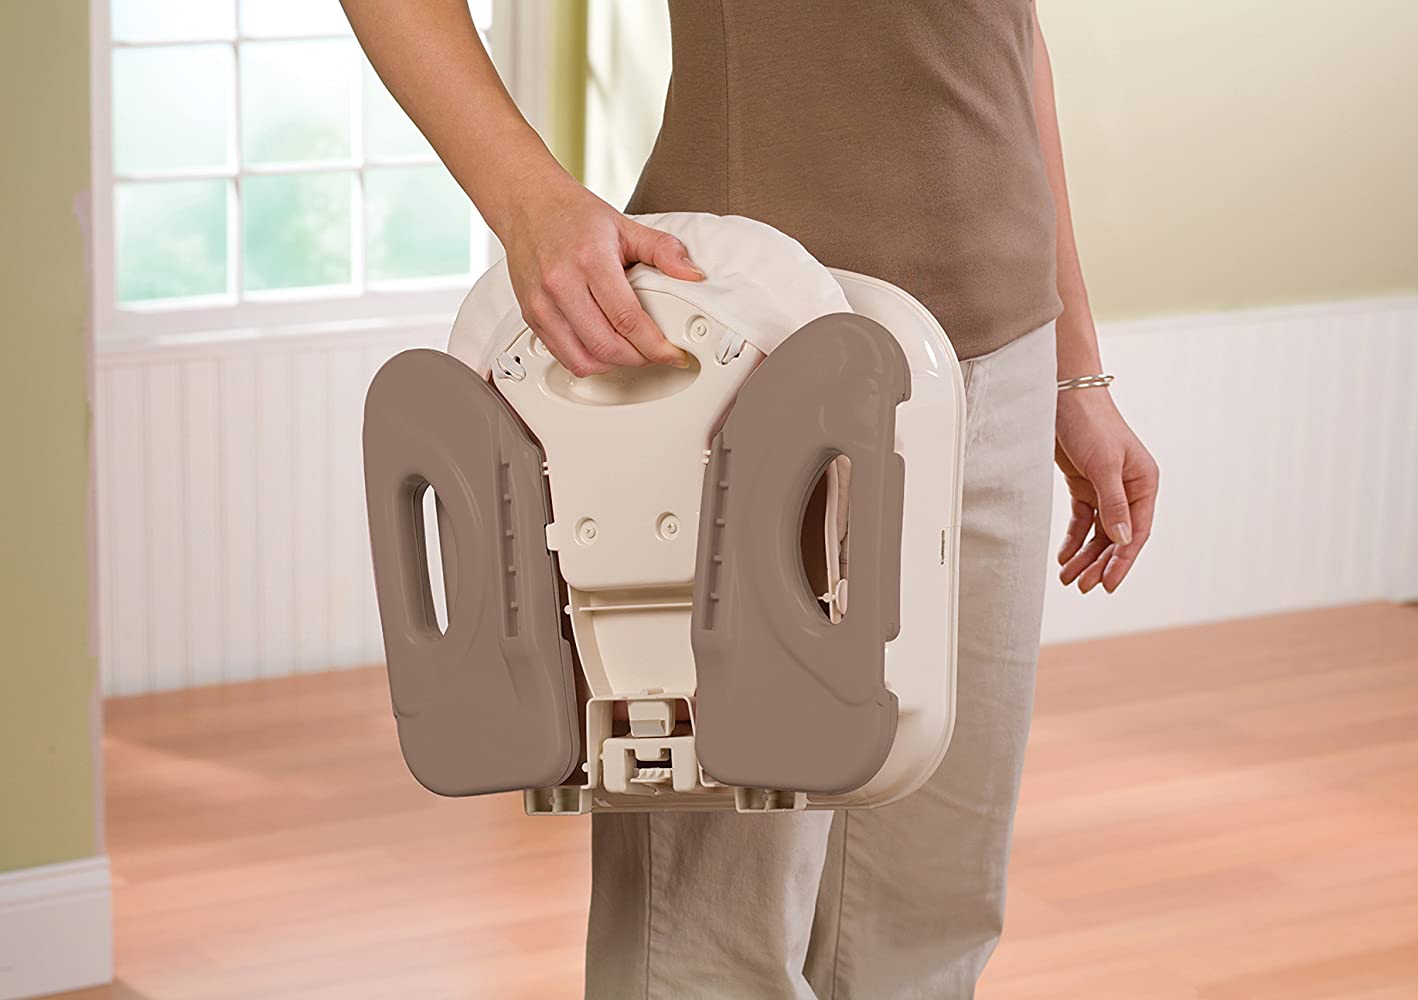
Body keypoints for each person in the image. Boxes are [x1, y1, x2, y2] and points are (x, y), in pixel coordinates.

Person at [344, 1, 1160, 995]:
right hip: (745, 351)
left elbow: (1009, 34)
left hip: (999, 362)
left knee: (927, 921)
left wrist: (1075, 370)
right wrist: (528, 202)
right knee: (713, 950)